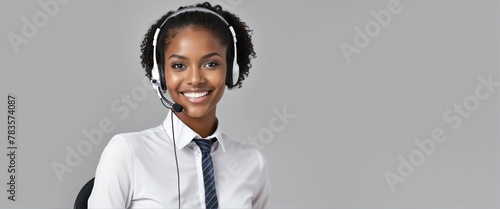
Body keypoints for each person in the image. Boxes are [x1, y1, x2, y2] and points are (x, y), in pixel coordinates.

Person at [88, 2, 269, 209]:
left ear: (231, 71)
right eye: (179, 66)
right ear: (161, 74)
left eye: (210, 64)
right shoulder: (127, 153)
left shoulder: (252, 162)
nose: (195, 79)